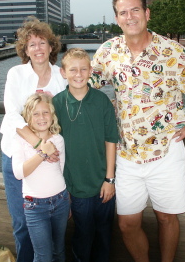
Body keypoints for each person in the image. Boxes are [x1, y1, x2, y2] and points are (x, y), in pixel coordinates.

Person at [90, 0, 185, 262]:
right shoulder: (109, 52)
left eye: (135, 10)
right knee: (126, 223)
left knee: (167, 217)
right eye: (123, 12)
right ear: (117, 19)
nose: (130, 17)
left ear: (147, 13)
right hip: (126, 155)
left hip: (165, 152)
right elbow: (85, 83)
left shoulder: (171, 52)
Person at [0, 16, 66, 262]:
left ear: (51, 46)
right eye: (32, 44)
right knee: (22, 223)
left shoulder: (62, 75)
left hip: (52, 159)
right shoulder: (16, 74)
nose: (38, 48)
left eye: (42, 42)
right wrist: (41, 146)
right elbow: (13, 115)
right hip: (18, 156)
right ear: (25, 51)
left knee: (53, 226)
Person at [52, 48, 119, 262]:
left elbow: (111, 140)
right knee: (82, 235)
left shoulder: (101, 102)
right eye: (73, 70)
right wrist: (63, 188)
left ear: (91, 71)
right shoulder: (56, 104)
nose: (78, 74)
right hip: (74, 186)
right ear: (63, 73)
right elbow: (52, 146)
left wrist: (109, 179)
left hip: (102, 184)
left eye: (83, 69)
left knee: (103, 235)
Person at [12, 93, 69, 262]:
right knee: (43, 256)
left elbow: (61, 168)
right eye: (35, 114)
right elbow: (19, 172)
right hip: (35, 206)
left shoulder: (58, 140)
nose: (41, 117)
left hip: (61, 200)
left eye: (45, 112)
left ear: (52, 116)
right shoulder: (20, 140)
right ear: (28, 118)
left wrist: (68, 199)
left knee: (59, 250)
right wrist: (43, 153)